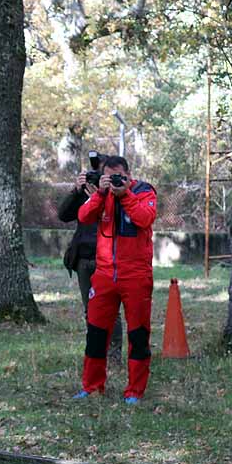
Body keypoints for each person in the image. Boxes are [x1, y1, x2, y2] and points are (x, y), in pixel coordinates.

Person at [73, 155, 157, 404]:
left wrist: (124, 195)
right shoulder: (102, 193)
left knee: (138, 334)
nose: (114, 181)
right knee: (96, 332)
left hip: (136, 276)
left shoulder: (143, 191)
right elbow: (84, 216)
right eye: (109, 176)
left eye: (118, 176)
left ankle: (135, 391)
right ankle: (92, 386)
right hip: (104, 275)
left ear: (128, 174)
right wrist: (99, 193)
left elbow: (144, 218)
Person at [57, 156, 122, 363]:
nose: (96, 179)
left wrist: (107, 192)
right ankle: (95, 353)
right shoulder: (84, 193)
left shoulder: (116, 192)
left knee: (111, 310)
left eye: (102, 176)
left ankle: (113, 356)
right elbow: (64, 215)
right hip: (84, 259)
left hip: (108, 258)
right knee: (90, 310)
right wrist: (76, 190)